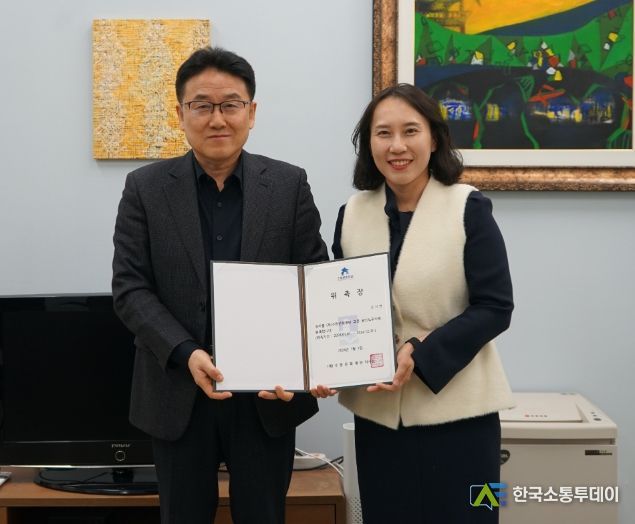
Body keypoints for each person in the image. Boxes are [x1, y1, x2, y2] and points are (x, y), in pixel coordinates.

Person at [112, 46, 328, 524]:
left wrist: (303, 368)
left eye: (230, 104)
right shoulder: (145, 188)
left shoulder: (288, 184)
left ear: (251, 112)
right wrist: (186, 351)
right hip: (176, 390)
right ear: (180, 114)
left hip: (267, 397)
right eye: (202, 105)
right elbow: (130, 289)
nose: (217, 119)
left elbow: (313, 282)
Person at [313, 84, 515, 523]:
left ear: (434, 139)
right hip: (380, 422)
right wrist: (325, 364)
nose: (397, 146)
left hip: (464, 420)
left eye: (410, 131)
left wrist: (421, 352)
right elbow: (341, 305)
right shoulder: (352, 213)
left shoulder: (469, 207)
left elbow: (496, 307)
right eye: (383, 133)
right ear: (368, 144)